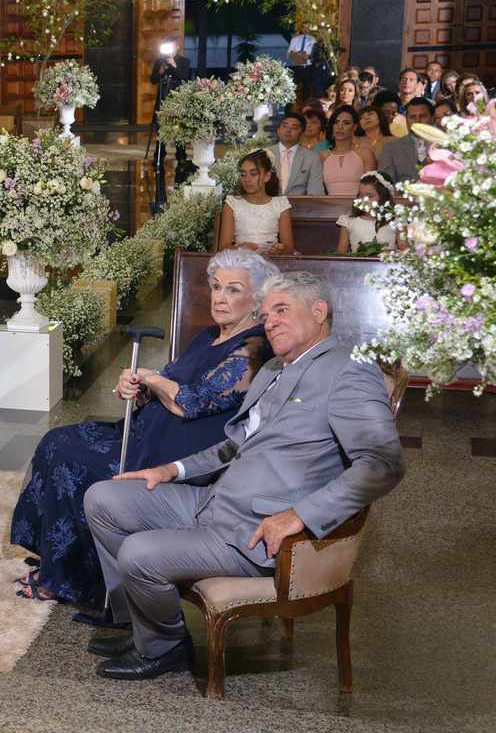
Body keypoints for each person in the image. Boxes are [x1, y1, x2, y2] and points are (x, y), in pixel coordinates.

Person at [83, 272, 405, 680]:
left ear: (319, 312)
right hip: (213, 501)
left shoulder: (349, 370)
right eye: (266, 314)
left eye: (282, 310)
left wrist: (300, 515)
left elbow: (383, 462)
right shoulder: (272, 368)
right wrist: (171, 470)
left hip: (254, 531)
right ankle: (146, 628)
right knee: (103, 497)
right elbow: (234, 444)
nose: (269, 322)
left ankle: (164, 649)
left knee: (138, 554)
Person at [11, 249, 276, 607]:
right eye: (216, 287)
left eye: (233, 289)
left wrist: (155, 381)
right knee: (56, 438)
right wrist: (135, 387)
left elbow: (192, 402)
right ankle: (59, 560)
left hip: (177, 453)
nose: (220, 298)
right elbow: (166, 386)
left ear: (256, 299)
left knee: (73, 458)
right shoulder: (207, 335)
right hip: (143, 431)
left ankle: (71, 581)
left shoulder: (254, 347)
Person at [216, 149, 294, 255]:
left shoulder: (280, 204)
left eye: (253, 174)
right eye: (243, 174)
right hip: (241, 261)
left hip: (271, 261)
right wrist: (239, 247)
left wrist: (279, 250)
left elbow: (289, 248)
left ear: (267, 176)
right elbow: (223, 248)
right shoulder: (233, 203)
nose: (247, 179)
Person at [336, 173, 408, 253]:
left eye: (369, 196)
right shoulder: (348, 221)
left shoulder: (396, 221)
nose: (363, 199)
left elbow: (405, 250)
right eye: (360, 194)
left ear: (383, 197)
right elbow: (340, 254)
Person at [319, 105, 375, 196]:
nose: (340, 127)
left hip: (359, 206)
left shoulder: (365, 153)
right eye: (336, 122)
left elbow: (371, 189)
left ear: (354, 127)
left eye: (346, 123)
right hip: (328, 207)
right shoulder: (322, 155)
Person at [378, 96, 435, 184]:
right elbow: (387, 185)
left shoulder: (446, 146)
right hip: (403, 197)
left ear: (432, 118)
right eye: (412, 117)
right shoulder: (391, 148)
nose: (417, 120)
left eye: (423, 116)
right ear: (406, 119)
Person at [270, 113, 324, 195]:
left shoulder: (312, 158)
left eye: (294, 128)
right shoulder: (265, 154)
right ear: (278, 130)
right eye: (285, 126)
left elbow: (315, 192)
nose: (288, 130)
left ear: (302, 135)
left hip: (299, 206)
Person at [287, 23, 315, 102]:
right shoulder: (295, 39)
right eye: (304, 27)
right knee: (291, 91)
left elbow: (315, 55)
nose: (305, 30)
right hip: (297, 68)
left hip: (307, 69)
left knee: (306, 93)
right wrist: (291, 53)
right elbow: (288, 55)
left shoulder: (313, 40)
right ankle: (287, 113)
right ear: (301, 28)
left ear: (310, 29)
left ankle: (304, 113)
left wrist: (309, 57)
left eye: (307, 28)